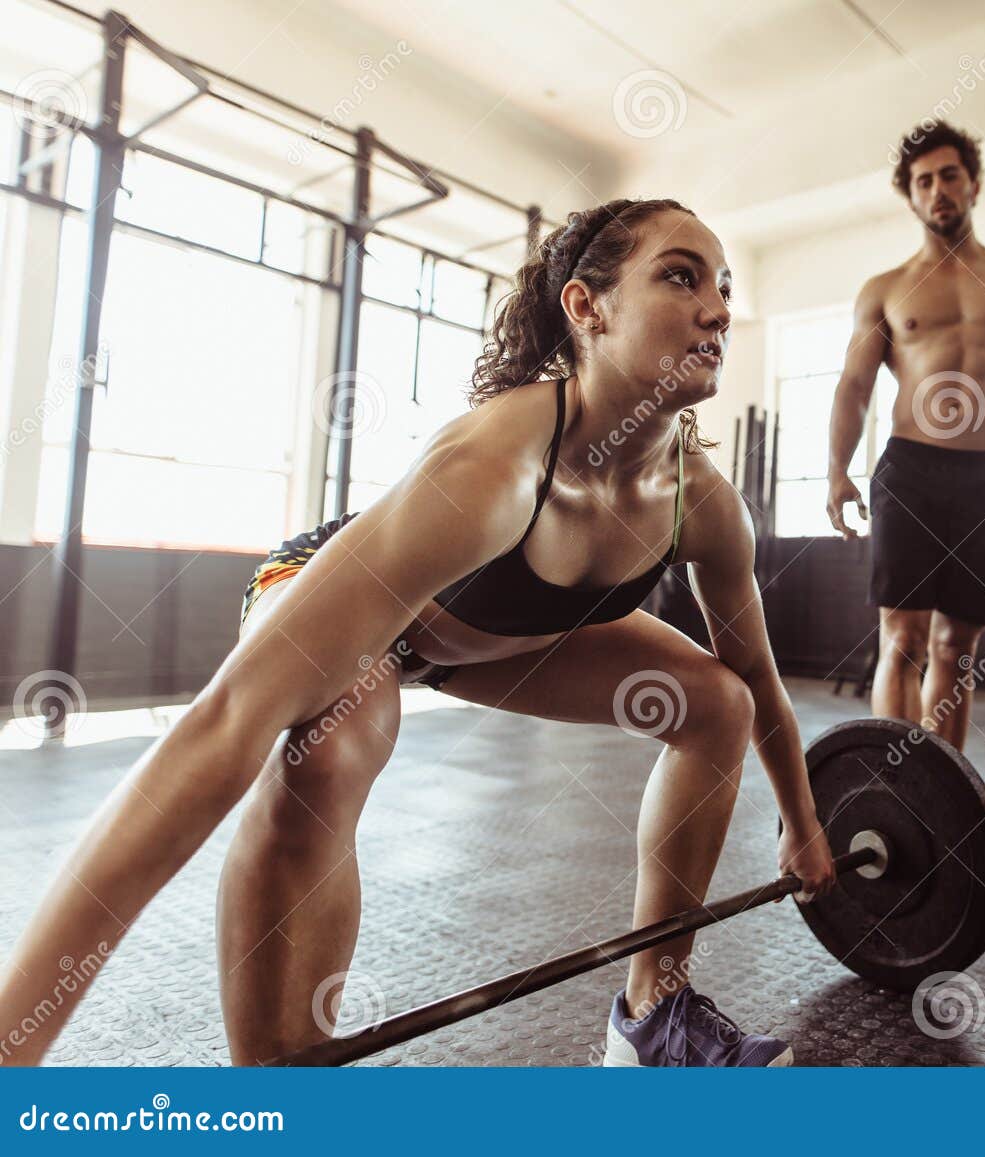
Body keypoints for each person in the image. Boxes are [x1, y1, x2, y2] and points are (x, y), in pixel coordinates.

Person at [0, 198, 837, 1068]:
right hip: (353, 606)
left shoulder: (702, 503)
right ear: (587, 309)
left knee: (718, 703)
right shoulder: (491, 469)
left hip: (491, 642)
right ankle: (278, 1074)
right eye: (680, 275)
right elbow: (223, 723)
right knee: (332, 747)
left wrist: (803, 822)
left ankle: (653, 1017)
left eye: (726, 288)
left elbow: (760, 678)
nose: (718, 308)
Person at [825, 122, 985, 750]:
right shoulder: (883, 289)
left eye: (949, 175)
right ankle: (895, 786)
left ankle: (944, 791)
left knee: (957, 648)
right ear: (910, 196)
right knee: (903, 639)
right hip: (908, 470)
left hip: (983, 476)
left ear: (974, 184)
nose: (938, 190)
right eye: (923, 181)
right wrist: (836, 469)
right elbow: (854, 385)